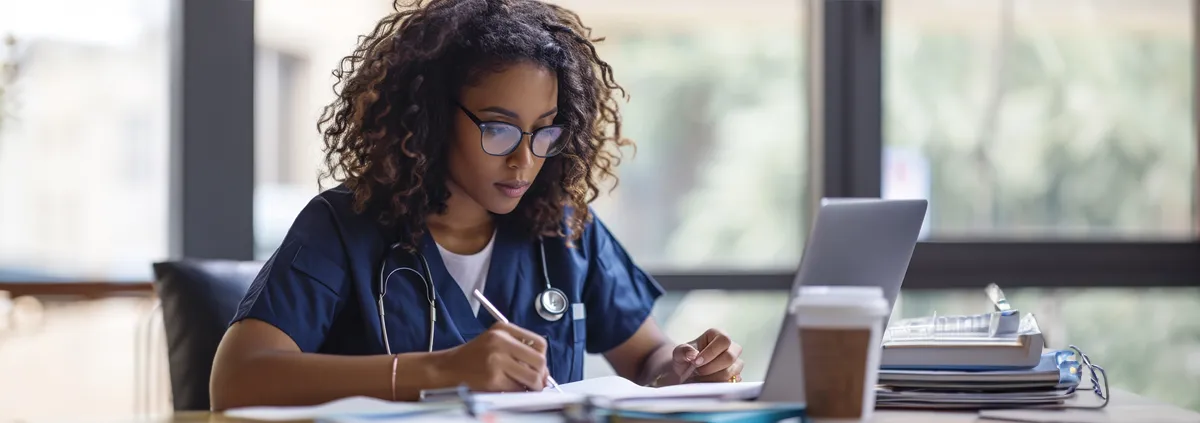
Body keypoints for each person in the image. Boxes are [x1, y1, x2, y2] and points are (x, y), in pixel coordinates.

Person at [209, 0, 744, 410]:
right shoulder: (342, 227)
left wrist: (683, 372)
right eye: (498, 128)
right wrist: (441, 371)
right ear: (433, 117)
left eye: (543, 132)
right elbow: (236, 380)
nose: (524, 161)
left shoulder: (564, 230)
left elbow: (647, 357)